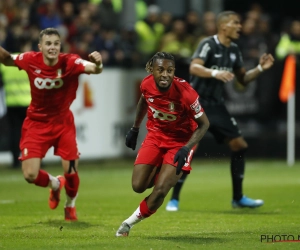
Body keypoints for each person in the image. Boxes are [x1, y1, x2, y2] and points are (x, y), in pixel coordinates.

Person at [165, 11, 274, 211]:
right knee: (189, 149)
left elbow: (243, 79)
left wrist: (260, 68)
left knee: (239, 145)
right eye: (235, 23)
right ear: (224, 26)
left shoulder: (234, 49)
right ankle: (174, 199)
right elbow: (194, 68)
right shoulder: (208, 44)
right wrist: (215, 72)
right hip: (197, 104)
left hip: (217, 106)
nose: (240, 27)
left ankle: (238, 198)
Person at [0, 27, 103, 220]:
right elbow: (6, 59)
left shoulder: (70, 62)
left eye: (56, 43)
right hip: (36, 123)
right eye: (48, 43)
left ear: (60, 46)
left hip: (63, 122)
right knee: (30, 175)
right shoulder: (30, 59)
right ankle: (55, 184)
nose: (53, 47)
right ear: (40, 46)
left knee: (71, 171)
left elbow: (94, 69)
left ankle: (70, 205)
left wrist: (98, 64)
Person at [115, 52, 210, 237]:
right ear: (152, 70)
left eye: (170, 70)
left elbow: (204, 124)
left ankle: (128, 223)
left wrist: (186, 147)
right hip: (156, 136)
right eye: (160, 70)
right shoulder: (146, 84)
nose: (165, 74)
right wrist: (135, 129)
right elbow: (144, 100)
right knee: (138, 185)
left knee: (160, 191)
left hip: (180, 142)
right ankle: (162, 168)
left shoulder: (186, 94)